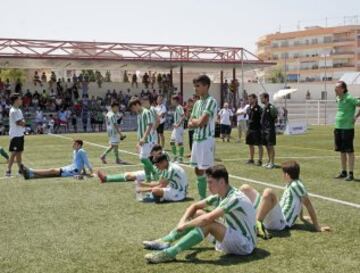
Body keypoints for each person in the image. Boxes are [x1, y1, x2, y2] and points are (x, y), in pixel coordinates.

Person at [143, 165, 257, 264]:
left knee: (208, 223)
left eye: (210, 182)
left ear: (222, 181)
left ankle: (170, 253)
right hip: (232, 235)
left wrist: (185, 226)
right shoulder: (221, 195)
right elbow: (194, 206)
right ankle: (166, 241)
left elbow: (208, 218)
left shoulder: (234, 198)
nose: (208, 186)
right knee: (198, 213)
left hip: (245, 244)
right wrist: (182, 222)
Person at [240, 160, 330, 239]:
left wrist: (317, 226)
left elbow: (308, 204)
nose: (282, 175)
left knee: (268, 192)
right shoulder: (292, 183)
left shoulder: (296, 185)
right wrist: (301, 217)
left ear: (287, 174)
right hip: (275, 217)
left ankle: (257, 227)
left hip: (281, 222)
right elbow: (299, 201)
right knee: (245, 188)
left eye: (283, 173)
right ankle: (242, 219)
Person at [188, 75, 218, 199]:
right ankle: (202, 198)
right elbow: (190, 123)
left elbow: (202, 122)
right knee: (197, 170)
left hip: (206, 140)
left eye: (198, 86)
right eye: (195, 86)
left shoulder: (211, 101)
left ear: (206, 86)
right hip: (196, 140)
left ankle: (215, 198)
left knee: (208, 170)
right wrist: (196, 122)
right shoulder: (197, 103)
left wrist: (196, 122)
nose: (195, 89)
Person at [21, 139, 94, 179]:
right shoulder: (75, 151)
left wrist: (91, 172)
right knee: (52, 173)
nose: (73, 145)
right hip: (71, 167)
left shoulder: (82, 151)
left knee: (52, 170)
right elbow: (80, 162)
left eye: (74, 144)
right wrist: (83, 171)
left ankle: (30, 170)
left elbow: (86, 162)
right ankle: (30, 175)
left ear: (79, 145)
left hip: (73, 170)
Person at [97, 144, 163, 183]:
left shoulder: (163, 156)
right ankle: (105, 178)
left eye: (153, 152)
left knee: (130, 176)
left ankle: (106, 179)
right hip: (151, 171)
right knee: (129, 174)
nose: (152, 154)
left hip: (159, 174)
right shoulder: (150, 155)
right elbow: (138, 147)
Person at [335, 81, 360, 181]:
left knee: (349, 151)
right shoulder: (338, 98)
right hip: (338, 127)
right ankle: (343, 172)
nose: (335, 89)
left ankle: (351, 173)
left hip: (347, 128)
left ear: (343, 89)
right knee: (342, 151)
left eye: (337, 88)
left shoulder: (349, 98)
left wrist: (356, 117)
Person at [129, 98, 155, 182]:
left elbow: (149, 125)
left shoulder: (146, 112)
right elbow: (140, 128)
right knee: (145, 160)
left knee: (143, 158)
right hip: (143, 141)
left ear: (137, 105)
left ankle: (155, 174)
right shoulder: (139, 114)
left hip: (148, 141)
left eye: (133, 108)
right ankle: (148, 179)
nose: (133, 110)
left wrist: (144, 137)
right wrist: (138, 141)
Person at [6, 93, 25, 177]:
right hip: (15, 135)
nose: (21, 100)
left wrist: (23, 122)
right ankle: (8, 170)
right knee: (14, 153)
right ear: (16, 100)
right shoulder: (13, 111)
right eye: (20, 99)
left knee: (19, 153)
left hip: (20, 134)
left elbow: (22, 121)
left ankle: (20, 170)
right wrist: (24, 123)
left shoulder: (19, 110)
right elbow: (19, 122)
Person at [260, 92, 278, 169]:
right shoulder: (264, 107)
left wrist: (270, 125)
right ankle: (269, 161)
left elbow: (276, 119)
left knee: (270, 146)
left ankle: (272, 163)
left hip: (270, 130)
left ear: (266, 98)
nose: (260, 99)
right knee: (267, 146)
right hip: (264, 130)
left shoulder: (271, 107)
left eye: (262, 98)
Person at [246, 94, 263, 166]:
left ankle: (259, 160)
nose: (249, 100)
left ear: (255, 99)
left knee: (259, 145)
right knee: (250, 144)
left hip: (257, 129)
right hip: (250, 129)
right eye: (248, 99)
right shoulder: (248, 108)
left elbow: (262, 119)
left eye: (251, 99)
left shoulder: (259, 109)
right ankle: (251, 159)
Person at [170, 95, 185, 162]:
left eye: (172, 100)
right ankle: (175, 156)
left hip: (179, 128)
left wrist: (178, 125)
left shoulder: (179, 107)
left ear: (175, 100)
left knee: (179, 143)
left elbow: (183, 116)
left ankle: (180, 158)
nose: (171, 101)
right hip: (176, 128)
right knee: (172, 142)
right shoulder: (177, 108)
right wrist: (175, 124)